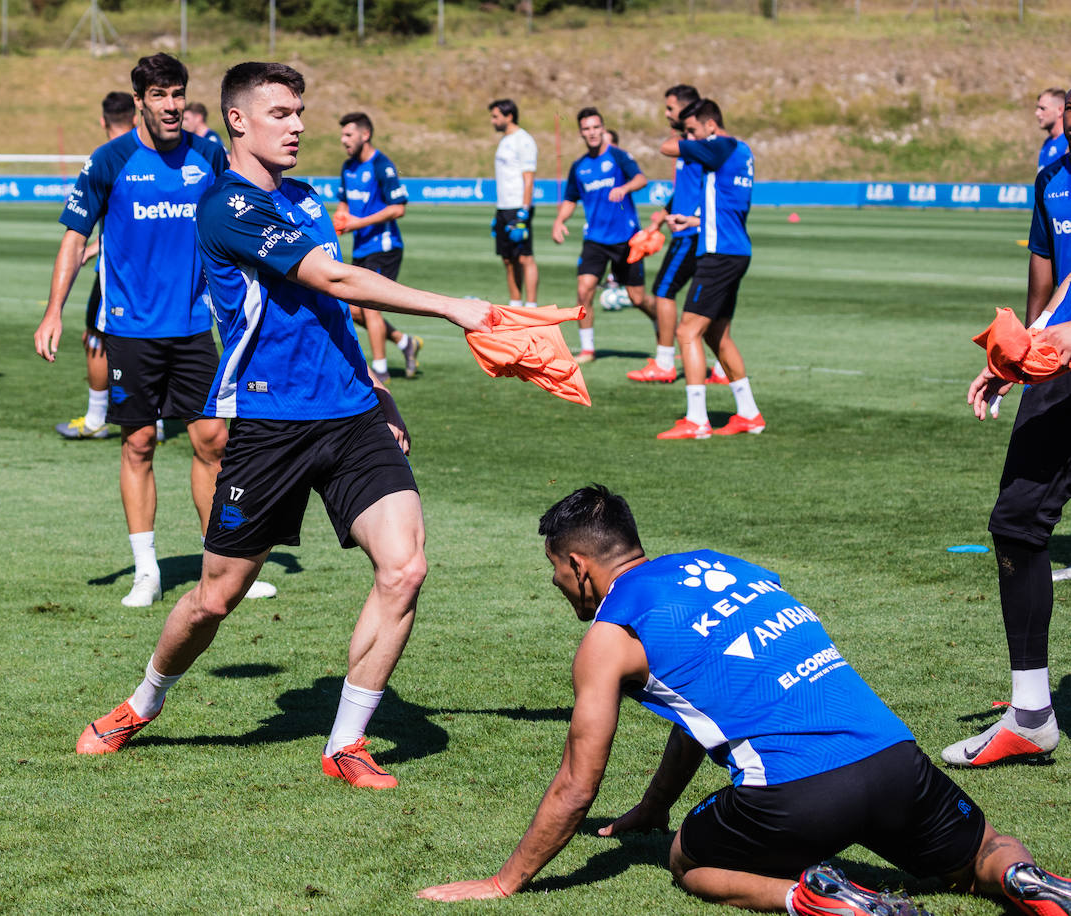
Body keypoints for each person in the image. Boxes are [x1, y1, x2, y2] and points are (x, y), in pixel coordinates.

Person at [72, 62, 493, 790]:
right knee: (215, 597)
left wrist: (380, 388)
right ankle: (143, 701)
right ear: (238, 121)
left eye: (301, 112)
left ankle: (346, 742)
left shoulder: (305, 197)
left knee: (405, 567)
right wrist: (454, 307)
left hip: (352, 416)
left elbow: (334, 311)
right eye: (281, 113)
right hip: (271, 426)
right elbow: (332, 279)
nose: (298, 126)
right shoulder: (225, 207)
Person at [418, 485, 1071, 916]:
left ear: (579, 567)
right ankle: (1022, 879)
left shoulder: (610, 637)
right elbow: (699, 712)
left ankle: (818, 899)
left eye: (556, 571)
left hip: (796, 794)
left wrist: (505, 882)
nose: (558, 584)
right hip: (895, 759)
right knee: (983, 850)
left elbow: (575, 787)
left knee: (689, 861)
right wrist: (653, 805)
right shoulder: (725, 567)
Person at [34, 54, 273, 608]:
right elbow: (74, 238)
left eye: (178, 95)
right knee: (139, 442)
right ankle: (148, 571)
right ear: (139, 99)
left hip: (193, 326)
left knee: (214, 441)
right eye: (160, 95)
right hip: (131, 330)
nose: (171, 106)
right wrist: (54, 311)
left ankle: (225, 567)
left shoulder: (208, 154)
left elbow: (248, 197)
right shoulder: (109, 160)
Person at [951, 93, 1071, 767]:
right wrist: (1024, 353)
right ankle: (1030, 713)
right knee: (1019, 524)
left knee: (1020, 524)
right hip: (1061, 366)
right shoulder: (1056, 170)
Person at [655, 99, 762, 439]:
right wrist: (691, 219)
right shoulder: (742, 152)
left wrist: (684, 139)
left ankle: (697, 420)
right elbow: (729, 208)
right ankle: (749, 414)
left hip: (718, 254)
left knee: (687, 332)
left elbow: (666, 147)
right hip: (734, 249)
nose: (690, 137)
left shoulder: (720, 146)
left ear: (711, 127)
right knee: (717, 334)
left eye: (694, 131)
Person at [629, 84, 728, 386]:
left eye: (671, 108)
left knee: (663, 290)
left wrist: (689, 220)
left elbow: (668, 147)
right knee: (714, 303)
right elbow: (683, 190)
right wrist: (659, 220)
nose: (666, 114)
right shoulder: (694, 143)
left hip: (692, 232)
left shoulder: (696, 144)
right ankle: (724, 369)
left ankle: (664, 362)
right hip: (691, 228)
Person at [54, 90, 138, 441]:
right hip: (166, 271)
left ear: (103, 121)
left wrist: (94, 247)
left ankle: (95, 417)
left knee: (97, 337)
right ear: (135, 117)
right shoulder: (158, 156)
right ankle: (159, 418)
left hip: (116, 272)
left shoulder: (106, 158)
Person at [551, 107, 648, 365]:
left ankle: (664, 326)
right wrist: (559, 221)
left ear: (602, 129)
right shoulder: (579, 167)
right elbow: (571, 199)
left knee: (638, 298)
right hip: (595, 239)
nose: (592, 132)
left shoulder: (618, 156)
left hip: (626, 238)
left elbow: (641, 179)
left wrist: (624, 187)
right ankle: (587, 349)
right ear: (581, 133)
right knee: (584, 291)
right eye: (586, 129)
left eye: (596, 127)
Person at [334, 110, 424, 384]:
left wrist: (358, 223)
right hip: (361, 249)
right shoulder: (348, 167)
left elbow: (398, 208)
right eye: (342, 135)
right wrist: (339, 222)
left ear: (365, 134)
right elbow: (344, 205)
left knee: (370, 307)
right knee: (352, 309)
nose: (343, 140)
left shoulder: (383, 165)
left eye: (348, 134)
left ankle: (380, 370)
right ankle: (404, 341)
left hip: (384, 248)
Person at [490, 99, 539, 310]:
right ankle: (515, 303)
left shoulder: (524, 140)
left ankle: (531, 305)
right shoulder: (504, 140)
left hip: (518, 207)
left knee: (525, 258)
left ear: (509, 116)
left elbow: (528, 178)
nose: (493, 121)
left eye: (495, 116)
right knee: (508, 258)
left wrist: (524, 210)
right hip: (503, 207)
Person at [1037, 88, 1066, 173]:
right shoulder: (1048, 141)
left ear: (1060, 110)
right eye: (1037, 108)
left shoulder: (1067, 142)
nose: (1037, 113)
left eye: (1043, 108)